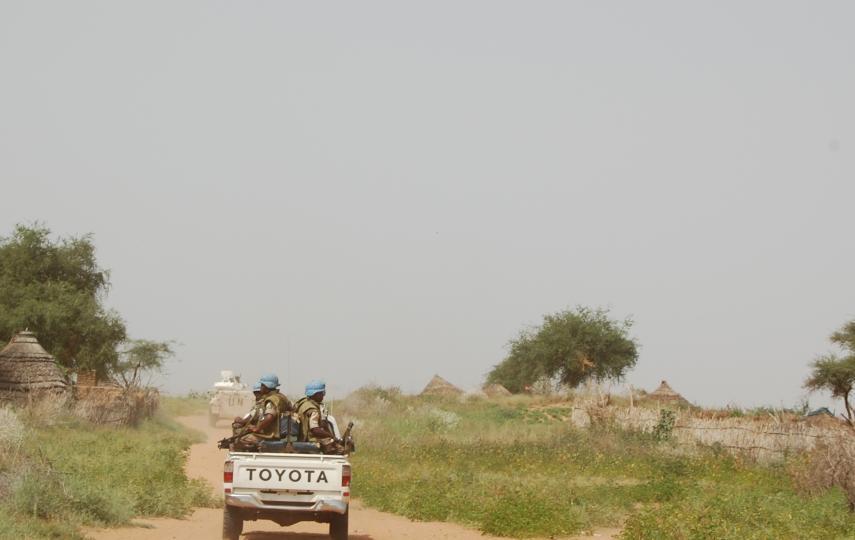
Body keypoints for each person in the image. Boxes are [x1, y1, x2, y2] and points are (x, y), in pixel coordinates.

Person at [232, 374, 292, 451]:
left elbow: (270, 416)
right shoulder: (282, 397)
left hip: (271, 435)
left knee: (241, 439)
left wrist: (257, 428)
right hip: (280, 434)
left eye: (262, 385)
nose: (261, 388)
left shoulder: (272, 400)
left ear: (266, 386)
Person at [295, 380, 345, 454]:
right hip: (310, 441)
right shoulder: (312, 409)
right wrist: (331, 436)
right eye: (322, 393)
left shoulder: (302, 404)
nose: (323, 395)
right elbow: (315, 429)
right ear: (315, 394)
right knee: (339, 449)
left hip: (301, 440)